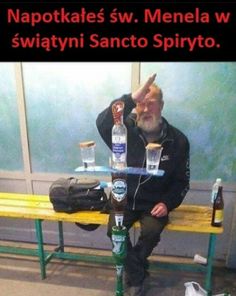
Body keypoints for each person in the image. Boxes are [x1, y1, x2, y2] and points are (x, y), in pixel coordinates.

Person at [96, 74, 190, 296]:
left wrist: (167, 203)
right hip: (123, 199)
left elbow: (181, 182)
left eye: (151, 103)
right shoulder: (123, 130)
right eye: (141, 104)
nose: (145, 109)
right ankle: (138, 273)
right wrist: (130, 98)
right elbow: (102, 122)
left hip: (154, 203)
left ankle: (134, 270)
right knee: (115, 232)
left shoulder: (178, 140)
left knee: (150, 233)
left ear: (162, 106)